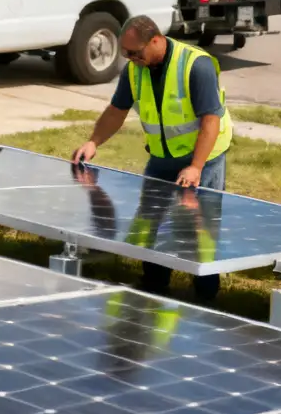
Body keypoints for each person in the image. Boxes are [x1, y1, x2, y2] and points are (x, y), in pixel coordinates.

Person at [71, 15, 232, 303]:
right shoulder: (134, 70)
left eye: (136, 53)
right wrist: (93, 142)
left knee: (198, 226)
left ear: (156, 40)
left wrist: (195, 167)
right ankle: (155, 283)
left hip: (203, 159)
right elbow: (116, 110)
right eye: (126, 54)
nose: (131, 59)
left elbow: (211, 120)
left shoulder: (196, 65)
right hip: (161, 158)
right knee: (152, 220)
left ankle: (206, 294)